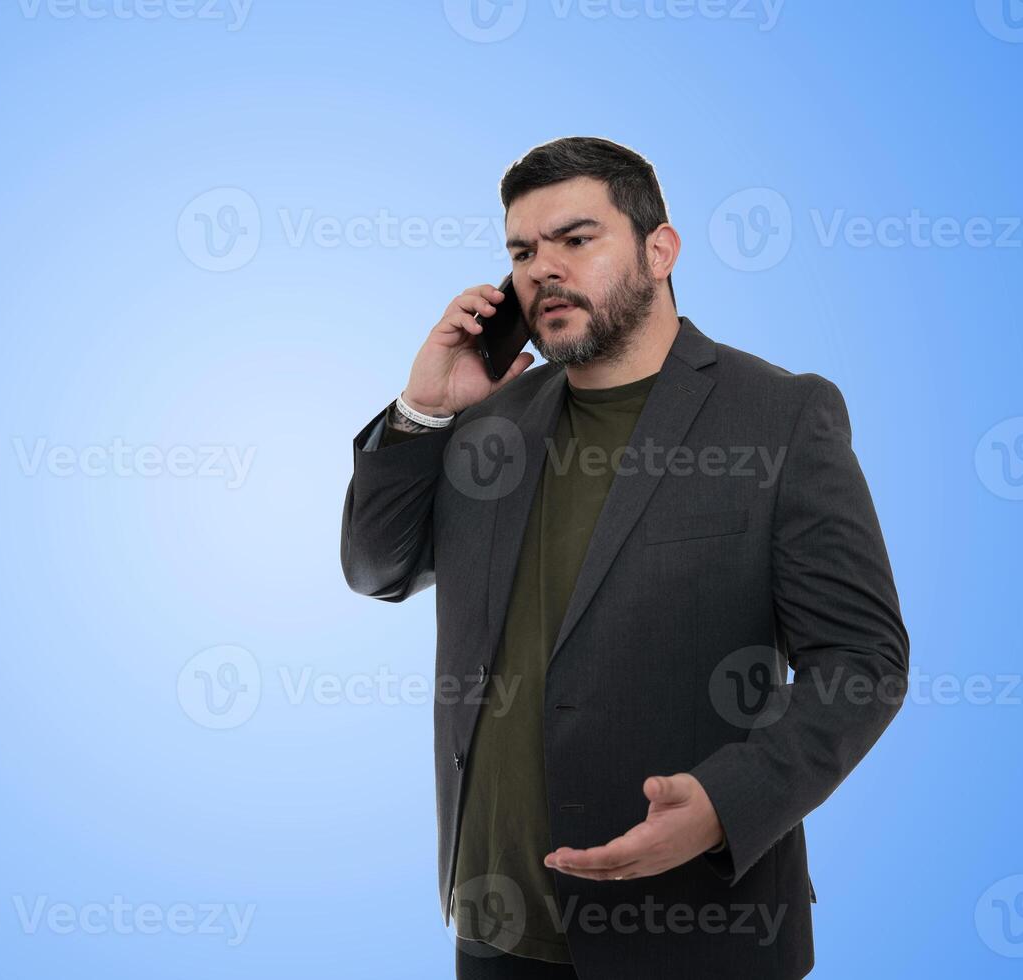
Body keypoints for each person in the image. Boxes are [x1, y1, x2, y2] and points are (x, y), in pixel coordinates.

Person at [338, 137, 908, 979]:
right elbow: (376, 569)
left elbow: (862, 663)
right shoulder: (488, 421)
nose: (543, 270)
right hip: (496, 923)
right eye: (523, 252)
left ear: (659, 250)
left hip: (699, 930)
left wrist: (725, 805)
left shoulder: (780, 416)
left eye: (577, 239)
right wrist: (424, 411)